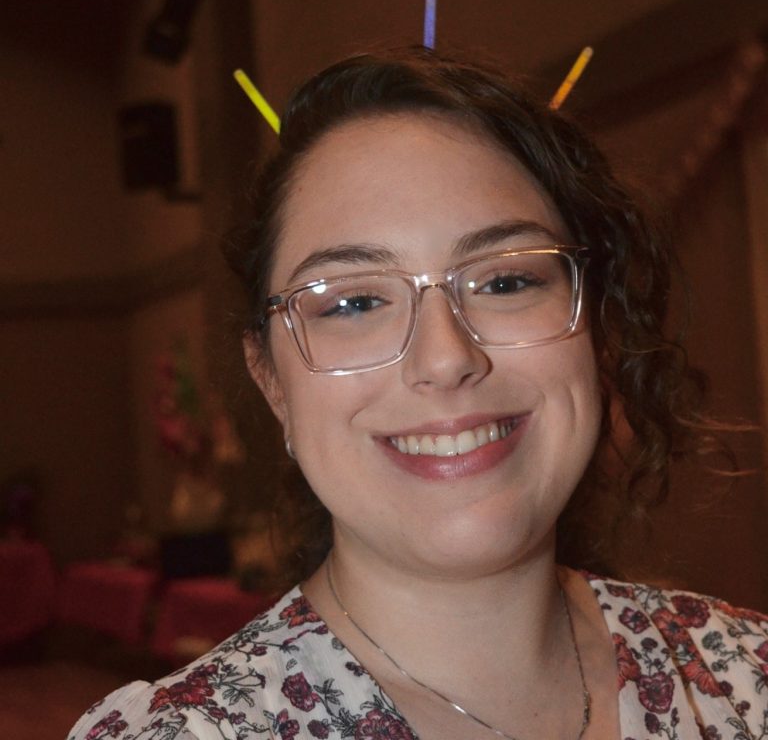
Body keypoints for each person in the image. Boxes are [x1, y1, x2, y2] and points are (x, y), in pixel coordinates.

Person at [70, 48, 767, 740]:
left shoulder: (746, 677)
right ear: (272, 381)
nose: (445, 358)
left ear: (596, 328)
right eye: (352, 302)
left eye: (506, 281)